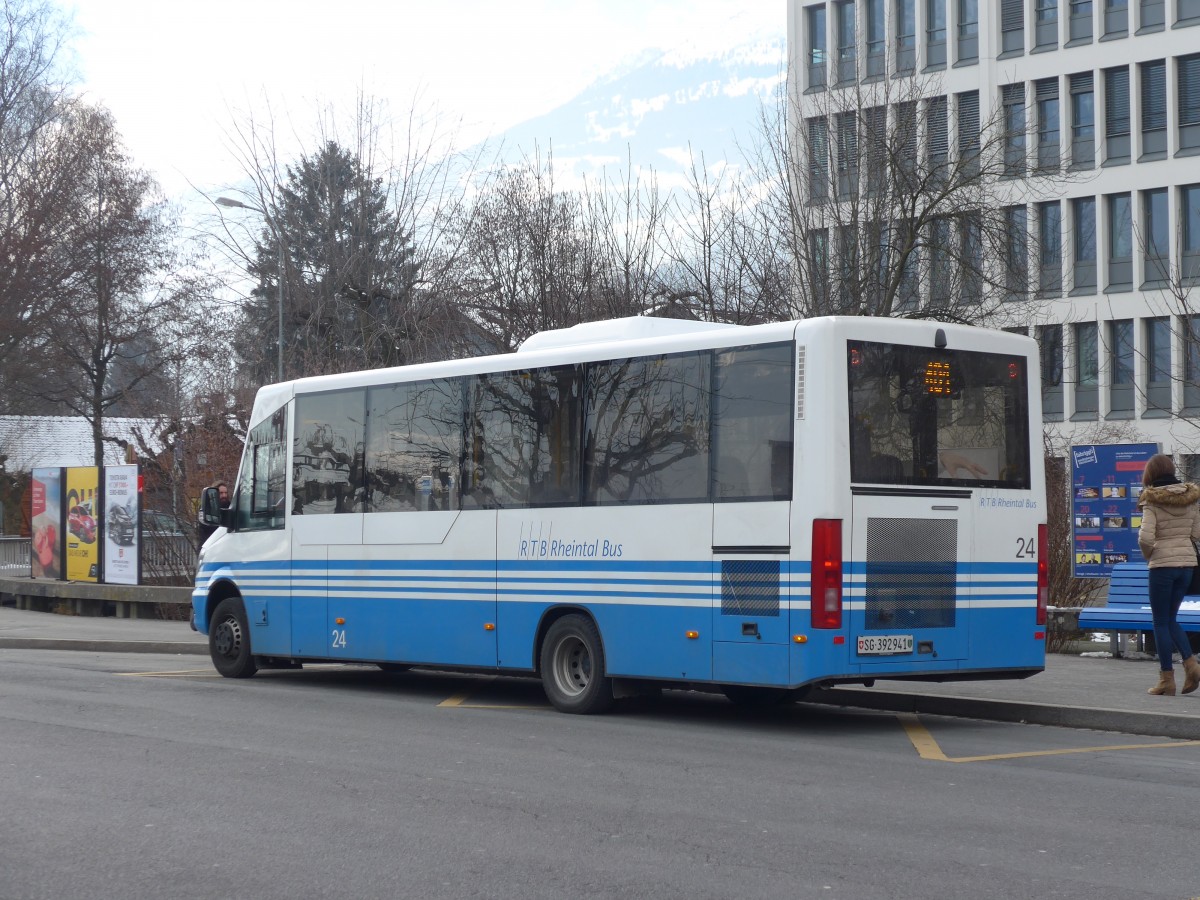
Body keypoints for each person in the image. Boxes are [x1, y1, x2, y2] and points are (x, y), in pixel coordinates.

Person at [1136, 454, 1200, 696]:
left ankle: (1166, 680)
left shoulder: (1152, 501)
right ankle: (1191, 665)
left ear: (1150, 474)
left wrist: (1150, 554)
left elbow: (1145, 537)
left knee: (1161, 622)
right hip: (1187, 566)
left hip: (1162, 566)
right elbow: (1197, 533)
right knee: (1170, 619)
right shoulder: (1190, 499)